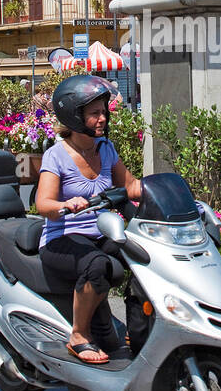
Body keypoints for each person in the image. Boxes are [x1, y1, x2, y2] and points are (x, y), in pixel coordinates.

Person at [36, 75, 142, 365]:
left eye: (103, 112)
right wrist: (65, 204)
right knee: (96, 264)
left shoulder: (105, 149)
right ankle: (79, 336)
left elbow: (131, 186)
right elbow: (43, 204)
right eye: (94, 113)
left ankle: (138, 329)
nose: (102, 118)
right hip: (62, 239)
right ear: (74, 115)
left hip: (98, 233)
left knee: (142, 255)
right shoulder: (56, 155)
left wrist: (165, 193)